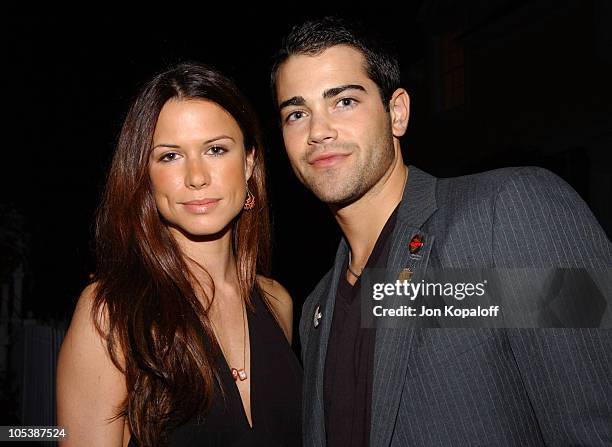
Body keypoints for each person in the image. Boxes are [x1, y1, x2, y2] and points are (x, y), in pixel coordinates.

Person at [271, 17, 612, 447]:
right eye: (297, 113)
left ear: (396, 112)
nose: (318, 131)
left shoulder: (503, 214)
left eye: (344, 102)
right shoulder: (316, 309)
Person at [57, 62, 302, 446]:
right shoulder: (112, 313)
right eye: (170, 156)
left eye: (216, 149)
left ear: (249, 161)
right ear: (144, 174)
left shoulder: (277, 303)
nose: (196, 176)